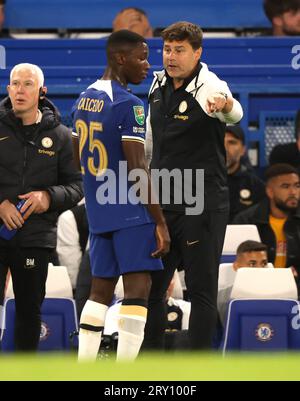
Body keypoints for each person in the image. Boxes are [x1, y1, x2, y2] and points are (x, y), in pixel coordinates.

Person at [143, 21, 243, 350]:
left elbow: (235, 112)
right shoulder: (156, 85)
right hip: (162, 202)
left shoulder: (209, 84)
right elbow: (149, 143)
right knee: (153, 290)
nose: (171, 57)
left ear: (197, 52)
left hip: (202, 204)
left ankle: (199, 369)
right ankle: (150, 366)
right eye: (167, 49)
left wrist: (225, 106)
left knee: (199, 290)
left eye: (179, 50)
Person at [72, 30, 170, 361]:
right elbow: (138, 169)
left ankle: (85, 368)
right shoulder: (129, 104)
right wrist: (159, 221)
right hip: (130, 212)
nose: (148, 65)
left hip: (99, 212)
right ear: (120, 58)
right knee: (138, 293)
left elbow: (76, 158)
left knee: (98, 293)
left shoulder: (83, 99)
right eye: (142, 57)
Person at [0, 63, 83, 351]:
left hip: (35, 237)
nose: (19, 90)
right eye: (15, 83)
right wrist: (0, 204)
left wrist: (48, 197)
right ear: (8, 88)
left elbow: (76, 186)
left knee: (28, 314)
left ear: (42, 91)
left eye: (27, 84)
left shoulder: (61, 136)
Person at [234, 164, 300, 278]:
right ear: (270, 191)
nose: (293, 192)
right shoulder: (246, 220)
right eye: (285, 186)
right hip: (256, 285)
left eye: (297, 186)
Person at [217, 240, 269, 326]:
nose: (260, 269)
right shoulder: (220, 299)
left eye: (264, 263)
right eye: (252, 264)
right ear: (237, 267)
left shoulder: (282, 295)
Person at [225, 125, 265, 222]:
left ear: (243, 150)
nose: (224, 148)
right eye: (219, 142)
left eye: (232, 142)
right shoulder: (197, 182)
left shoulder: (256, 186)